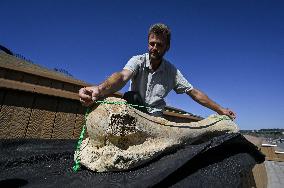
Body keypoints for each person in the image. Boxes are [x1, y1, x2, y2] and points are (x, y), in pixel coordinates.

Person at [79, 23, 236, 119]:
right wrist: (99, 90)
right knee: (130, 95)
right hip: (134, 113)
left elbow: (194, 93)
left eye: (159, 45)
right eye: (151, 43)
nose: (154, 48)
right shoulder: (137, 61)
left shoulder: (172, 72)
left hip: (156, 118)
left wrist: (221, 110)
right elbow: (122, 76)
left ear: (167, 47)